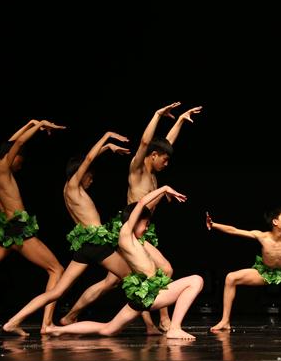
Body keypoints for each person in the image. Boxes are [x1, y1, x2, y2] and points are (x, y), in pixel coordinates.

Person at [60, 102, 202, 331]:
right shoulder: (137, 169)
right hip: (131, 231)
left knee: (111, 282)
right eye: (164, 159)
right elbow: (146, 143)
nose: (166, 164)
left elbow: (166, 143)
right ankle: (163, 319)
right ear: (153, 156)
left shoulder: (153, 172)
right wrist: (157, 114)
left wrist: (179, 121)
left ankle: (71, 316)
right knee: (163, 270)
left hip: (142, 230)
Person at [2, 131, 160, 335]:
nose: (91, 181)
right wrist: (106, 137)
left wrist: (106, 149)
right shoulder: (73, 186)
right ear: (80, 174)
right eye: (90, 176)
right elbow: (88, 159)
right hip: (96, 244)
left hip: (85, 246)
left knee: (58, 291)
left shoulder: (67, 189)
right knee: (136, 276)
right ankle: (143, 324)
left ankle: (13, 322)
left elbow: (87, 160)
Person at [45, 185, 203, 340]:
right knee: (196, 280)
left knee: (107, 329)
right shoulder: (126, 235)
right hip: (150, 295)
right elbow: (142, 203)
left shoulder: (137, 241)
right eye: (145, 224)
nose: (147, 228)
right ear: (134, 221)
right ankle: (174, 328)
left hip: (141, 297)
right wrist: (165, 189)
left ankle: (56, 330)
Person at [0, 119, 65, 333]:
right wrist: (39, 126)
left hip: (4, 229)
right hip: (17, 229)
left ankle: (45, 323)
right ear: (13, 156)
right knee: (56, 269)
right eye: (20, 158)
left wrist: (31, 123)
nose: (21, 163)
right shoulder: (3, 169)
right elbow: (18, 144)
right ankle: (47, 324)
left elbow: (11, 143)